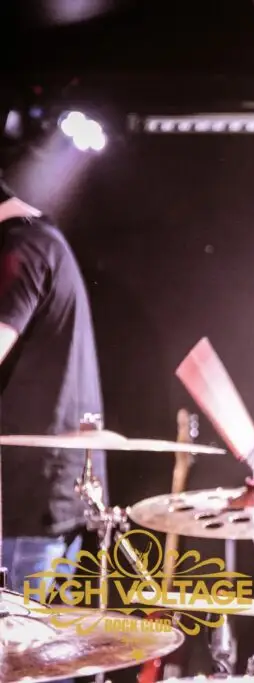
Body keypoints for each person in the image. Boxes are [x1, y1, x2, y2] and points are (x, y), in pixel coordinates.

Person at [0, 176, 105, 621]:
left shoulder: (23, 249)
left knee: (15, 651)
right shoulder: (46, 241)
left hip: (27, 506)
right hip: (53, 498)